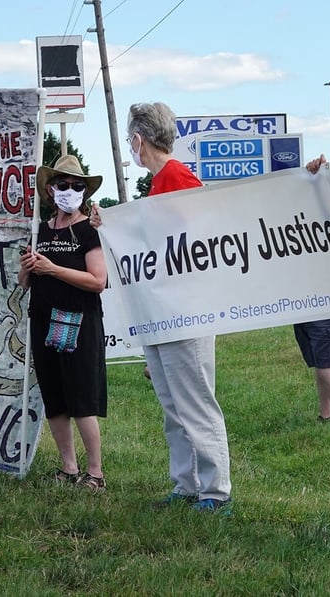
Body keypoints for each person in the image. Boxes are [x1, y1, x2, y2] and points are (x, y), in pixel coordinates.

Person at [95, 101, 232, 514]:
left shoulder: (175, 178)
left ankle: (215, 490)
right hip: (165, 312)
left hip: (184, 310)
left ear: (138, 140)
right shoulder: (162, 182)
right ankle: (187, 483)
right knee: (175, 405)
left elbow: (188, 241)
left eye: (130, 143)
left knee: (193, 402)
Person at [18, 155, 108, 491]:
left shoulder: (89, 231)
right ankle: (68, 468)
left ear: (84, 192)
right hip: (43, 319)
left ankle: (95, 473)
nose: (69, 190)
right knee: (54, 399)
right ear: (49, 189)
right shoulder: (38, 230)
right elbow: (24, 282)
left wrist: (53, 269)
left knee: (82, 398)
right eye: (63, 184)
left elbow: (98, 280)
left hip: (80, 322)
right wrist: (28, 268)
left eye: (77, 186)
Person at [293, 317, 330, 424]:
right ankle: (326, 414)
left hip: (326, 313)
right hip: (308, 311)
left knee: (327, 360)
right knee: (320, 361)